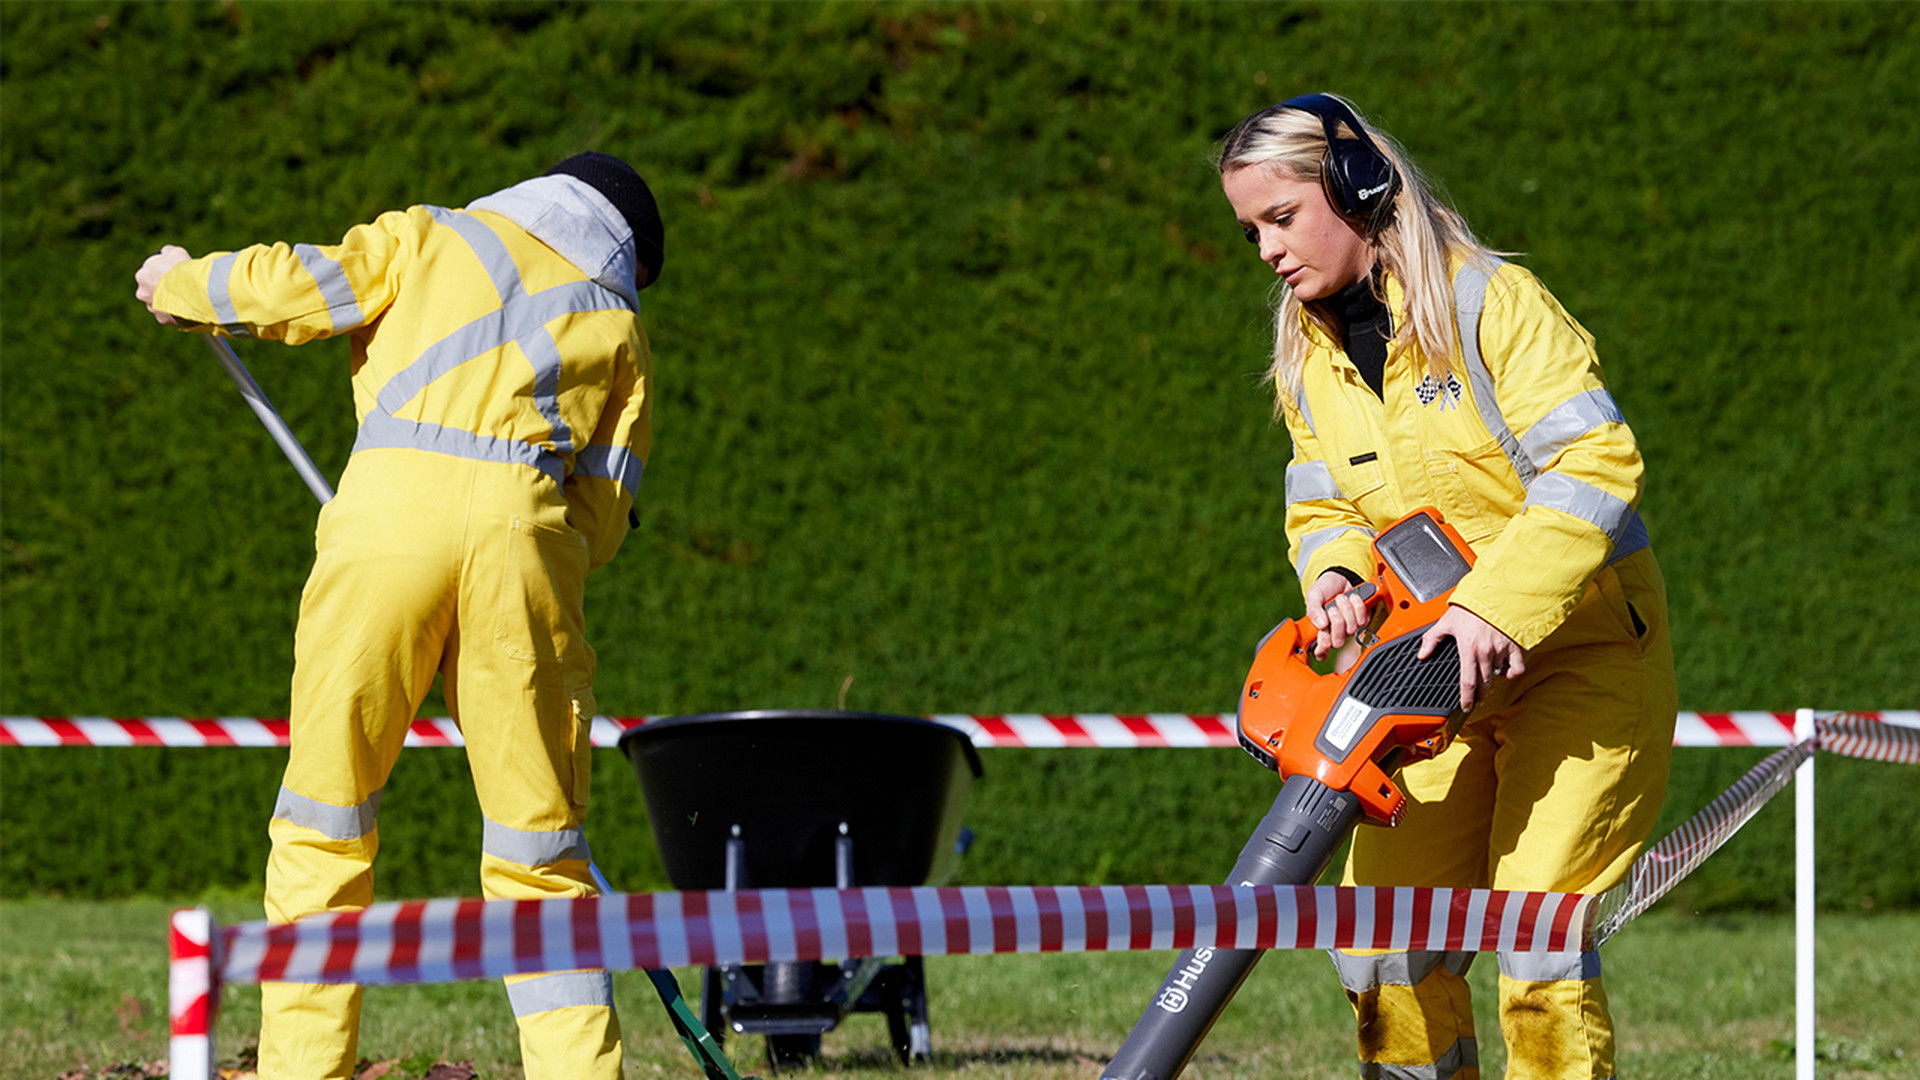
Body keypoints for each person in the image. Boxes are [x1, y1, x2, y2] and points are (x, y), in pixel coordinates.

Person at [134, 151, 662, 1080]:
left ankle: (303, 1070)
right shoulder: (615, 321)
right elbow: (604, 519)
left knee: (323, 822)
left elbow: (299, 285)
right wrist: (523, 518)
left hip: (384, 522)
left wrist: (184, 280)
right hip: (525, 544)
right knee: (541, 851)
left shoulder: (432, 232)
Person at [1216, 94, 1677, 1080]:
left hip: (1583, 662)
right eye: (1250, 229)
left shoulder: (1492, 306)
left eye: (1281, 217)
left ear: (1358, 186)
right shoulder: (1308, 358)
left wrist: (1487, 610)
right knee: (1380, 946)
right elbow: (1324, 500)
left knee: (1536, 942)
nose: (1265, 250)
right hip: (1428, 681)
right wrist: (1336, 574)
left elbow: (1596, 464)